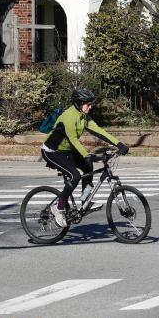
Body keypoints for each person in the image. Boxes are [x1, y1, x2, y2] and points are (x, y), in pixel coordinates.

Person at [41, 88, 129, 227]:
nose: (90, 106)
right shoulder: (69, 116)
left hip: (67, 150)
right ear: (78, 103)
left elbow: (98, 131)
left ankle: (85, 200)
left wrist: (119, 144)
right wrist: (86, 154)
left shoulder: (83, 116)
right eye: (88, 104)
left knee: (88, 166)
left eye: (91, 104)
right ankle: (58, 207)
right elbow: (72, 139)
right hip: (52, 151)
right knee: (75, 176)